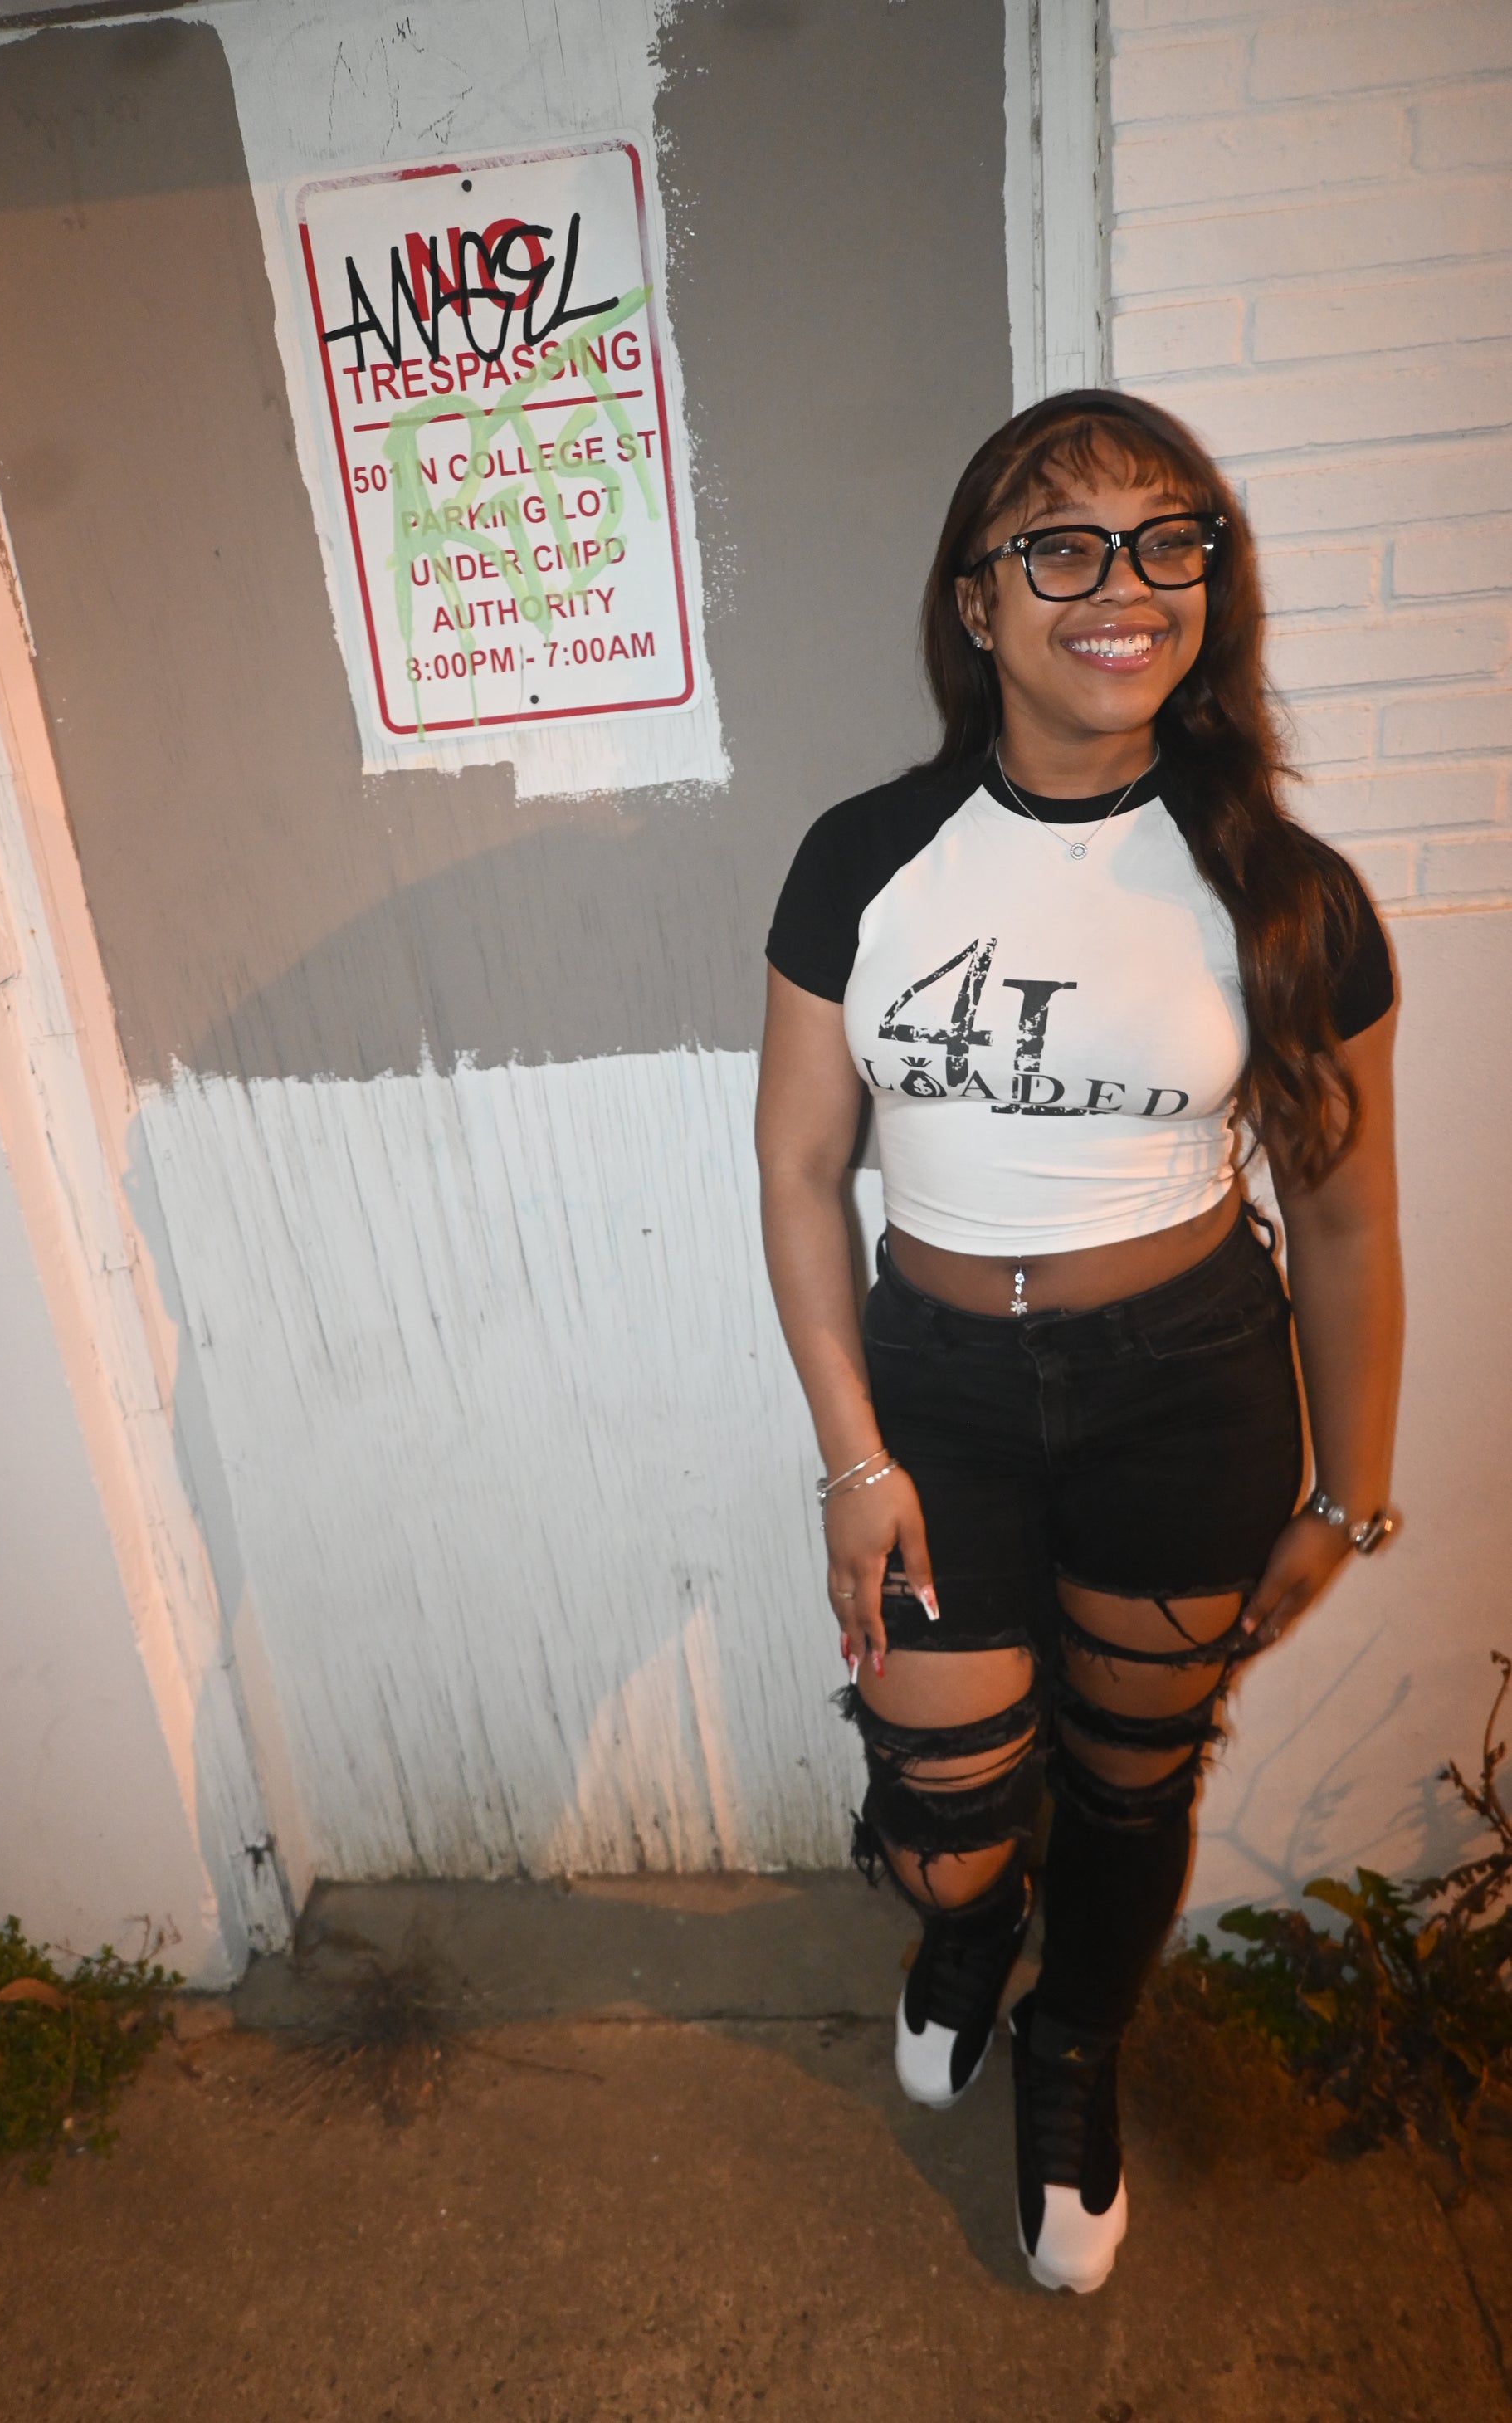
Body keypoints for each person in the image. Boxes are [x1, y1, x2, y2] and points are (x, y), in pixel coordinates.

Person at [754, 389, 1401, 2294]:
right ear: (976, 601)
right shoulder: (864, 856)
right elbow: (798, 1168)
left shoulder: (1282, 891)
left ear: (1210, 579)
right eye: (1060, 544)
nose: (1120, 584)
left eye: (1164, 539)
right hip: (937, 1389)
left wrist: (1346, 1492)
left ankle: (1072, 2036)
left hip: (1188, 1388)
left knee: (1131, 1779)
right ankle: (968, 1929)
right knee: (949, 1819)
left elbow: (1343, 1217)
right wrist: (853, 1452)